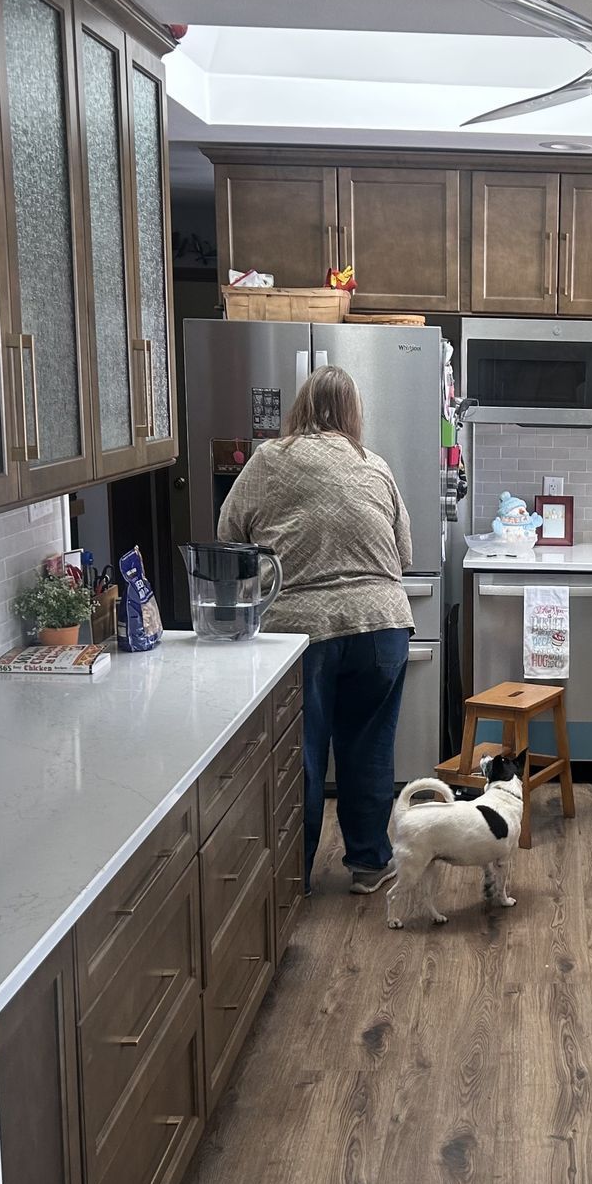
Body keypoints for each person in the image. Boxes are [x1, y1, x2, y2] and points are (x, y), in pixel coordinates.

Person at [218, 365, 412, 894]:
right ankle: (371, 864)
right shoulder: (374, 465)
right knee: (370, 749)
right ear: (353, 415)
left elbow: (228, 533)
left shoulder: (268, 460)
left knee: (300, 756)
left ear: (300, 408)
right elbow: (406, 552)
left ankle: (293, 877)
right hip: (382, 623)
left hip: (299, 630)